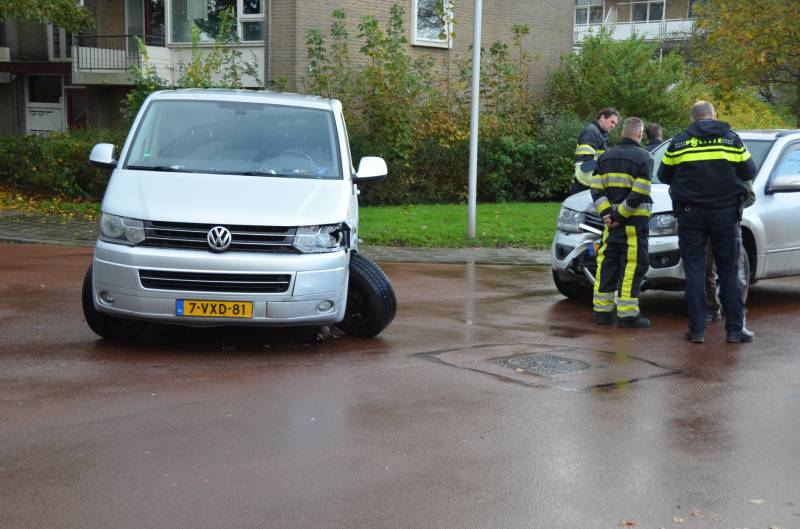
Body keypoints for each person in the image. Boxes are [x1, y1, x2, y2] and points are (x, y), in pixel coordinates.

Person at [657, 101, 757, 344]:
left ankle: (696, 331)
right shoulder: (731, 140)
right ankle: (734, 329)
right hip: (725, 214)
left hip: (690, 215)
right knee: (729, 271)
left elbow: (663, 175)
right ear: (714, 116)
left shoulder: (679, 142)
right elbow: (749, 171)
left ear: (692, 119)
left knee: (694, 272)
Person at [590, 116, 653, 328]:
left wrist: (607, 215)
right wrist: (620, 216)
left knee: (606, 264)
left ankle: (602, 312)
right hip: (633, 225)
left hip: (610, 226)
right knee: (632, 266)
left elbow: (596, 189)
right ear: (640, 134)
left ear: (622, 133)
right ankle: (627, 315)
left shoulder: (605, 157)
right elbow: (640, 192)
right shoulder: (645, 158)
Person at [571, 108, 620, 194]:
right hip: (583, 184)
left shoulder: (599, 134)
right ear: (602, 118)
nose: (613, 126)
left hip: (586, 183)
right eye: (612, 122)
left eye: (615, 124)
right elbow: (585, 163)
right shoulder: (591, 132)